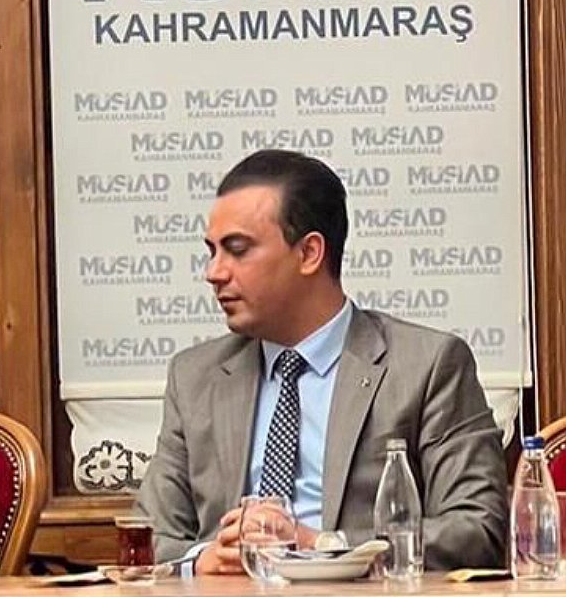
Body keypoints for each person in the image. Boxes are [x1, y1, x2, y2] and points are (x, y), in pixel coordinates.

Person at [137, 149, 507, 574]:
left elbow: (477, 530)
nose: (214, 272)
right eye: (212, 251)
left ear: (309, 253)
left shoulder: (427, 366)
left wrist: (323, 546)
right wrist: (204, 560)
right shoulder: (195, 378)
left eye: (237, 250)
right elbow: (149, 535)